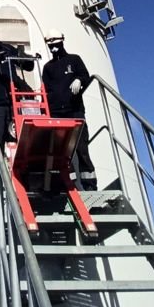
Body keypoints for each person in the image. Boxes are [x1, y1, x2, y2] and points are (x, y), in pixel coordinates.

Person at [42, 28, 97, 190]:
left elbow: (85, 76)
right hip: (58, 115)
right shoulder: (48, 68)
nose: (53, 47)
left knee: (82, 150)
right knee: (63, 153)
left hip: (75, 111)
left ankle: (90, 185)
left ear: (62, 41)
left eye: (55, 43)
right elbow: (46, 90)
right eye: (50, 44)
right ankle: (70, 186)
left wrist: (79, 80)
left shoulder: (74, 60)